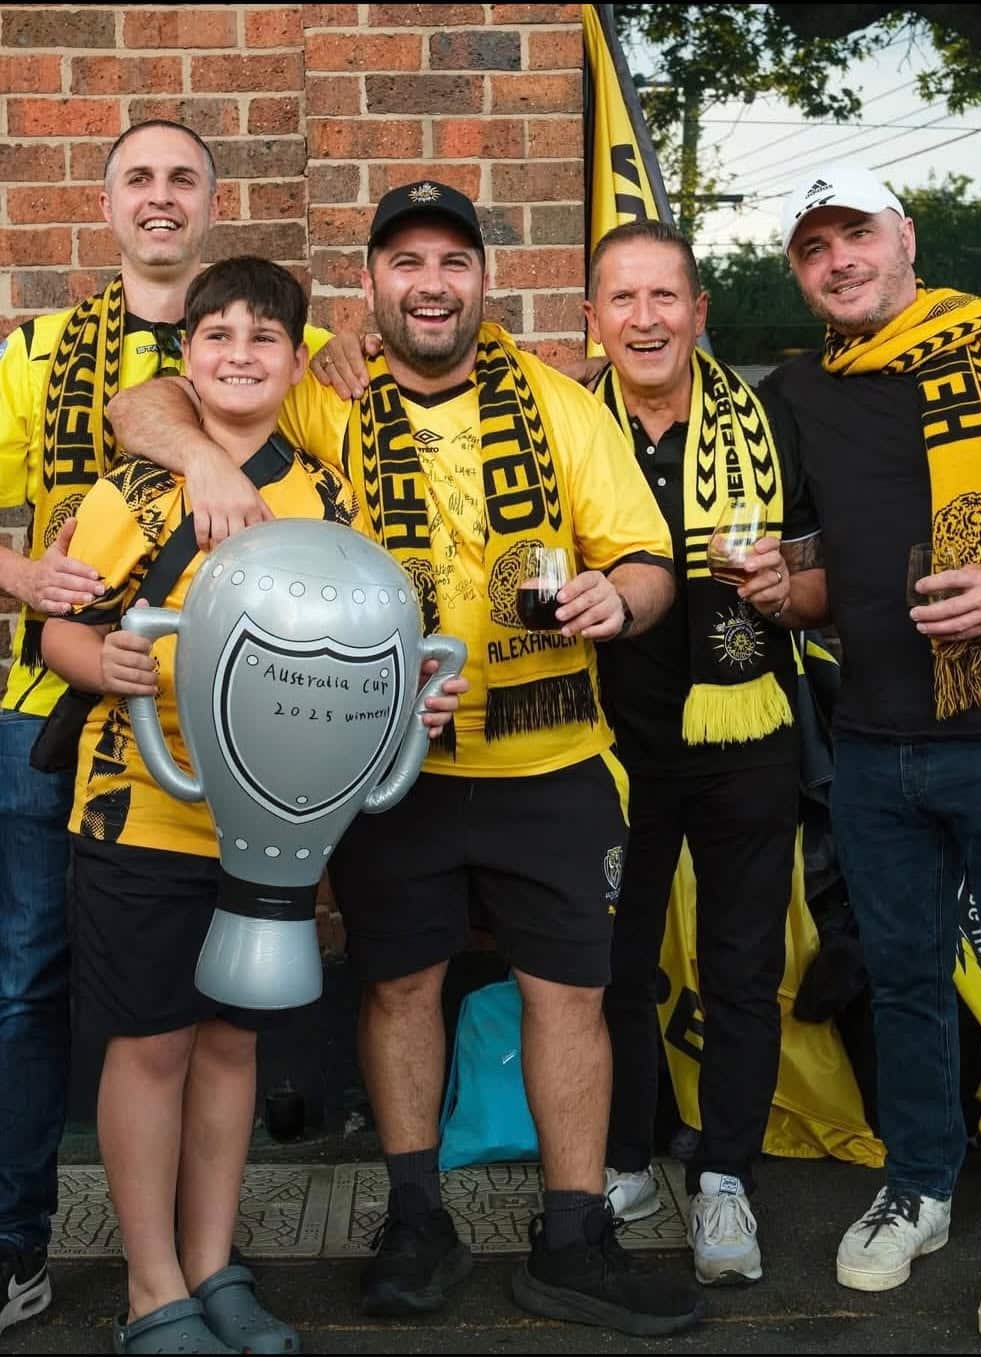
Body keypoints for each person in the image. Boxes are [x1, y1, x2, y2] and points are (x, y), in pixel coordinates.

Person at [108, 179, 706, 1338]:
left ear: (486, 279)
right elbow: (146, 403)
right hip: (386, 767)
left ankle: (573, 1236)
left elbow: (646, 559)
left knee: (571, 994)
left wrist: (619, 599)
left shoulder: (562, 403)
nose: (431, 284)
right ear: (372, 283)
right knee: (395, 985)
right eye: (406, 262)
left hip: (551, 757)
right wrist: (208, 467)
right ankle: (416, 1220)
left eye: (452, 261)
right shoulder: (322, 391)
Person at [40, 256, 462, 1355]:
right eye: (217, 335)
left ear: (295, 360)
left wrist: (412, 699)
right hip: (141, 809)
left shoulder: (329, 498)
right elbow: (59, 633)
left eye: (263, 336)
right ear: (186, 358)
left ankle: (214, 1263)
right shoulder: (129, 492)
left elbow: (369, 646)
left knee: (231, 1045)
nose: (239, 353)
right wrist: (103, 664)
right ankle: (151, 1290)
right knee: (151, 1044)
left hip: (271, 827)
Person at [765, 161, 981, 1344]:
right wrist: (780, 591)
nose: (838, 260)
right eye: (813, 248)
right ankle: (919, 1186)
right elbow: (826, 578)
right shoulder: (803, 390)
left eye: (855, 233)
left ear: (904, 235)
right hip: (873, 734)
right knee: (901, 977)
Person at [0, 119, 224, 1337]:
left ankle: (201, 1260)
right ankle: (14, 1242)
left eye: (182, 177)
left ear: (211, 204)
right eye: (138, 177)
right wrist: (18, 576)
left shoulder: (267, 340)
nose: (160, 196)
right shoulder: (37, 351)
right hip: (48, 709)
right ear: (105, 207)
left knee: (205, 998)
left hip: (214, 719)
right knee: (29, 978)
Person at [580, 219, 825, 1286]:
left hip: (746, 735)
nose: (646, 319)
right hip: (603, 735)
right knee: (611, 963)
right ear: (593, 318)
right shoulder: (560, 423)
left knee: (741, 964)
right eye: (623, 299)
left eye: (665, 297)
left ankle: (726, 1175)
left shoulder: (768, 420)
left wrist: (788, 590)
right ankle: (626, 1156)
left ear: (699, 312)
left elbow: (821, 581)